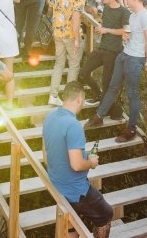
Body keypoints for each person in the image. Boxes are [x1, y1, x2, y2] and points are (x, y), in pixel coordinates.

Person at [43, 81, 113, 238]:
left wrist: (83, 156)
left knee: (72, 222)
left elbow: (45, 154)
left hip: (56, 182)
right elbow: (76, 165)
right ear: (80, 99)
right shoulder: (73, 125)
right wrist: (91, 162)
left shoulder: (50, 117)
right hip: (74, 190)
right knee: (106, 215)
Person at [85, 0, 147, 143]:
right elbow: (129, 34)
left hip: (135, 59)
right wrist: (125, 37)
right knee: (112, 87)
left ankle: (131, 129)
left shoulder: (146, 17)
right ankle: (99, 116)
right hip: (124, 55)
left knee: (132, 94)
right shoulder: (133, 15)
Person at [77, 0, 129, 115]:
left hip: (113, 51)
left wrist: (107, 30)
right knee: (83, 73)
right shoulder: (106, 8)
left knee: (106, 82)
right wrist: (101, 28)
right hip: (101, 48)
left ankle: (102, 111)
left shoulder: (124, 11)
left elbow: (126, 31)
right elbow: (105, 25)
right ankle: (98, 94)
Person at [48, 0, 88, 106]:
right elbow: (76, 18)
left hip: (58, 31)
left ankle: (53, 96)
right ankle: (69, 100)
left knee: (59, 64)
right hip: (70, 34)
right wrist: (77, 38)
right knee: (74, 65)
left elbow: (51, 7)